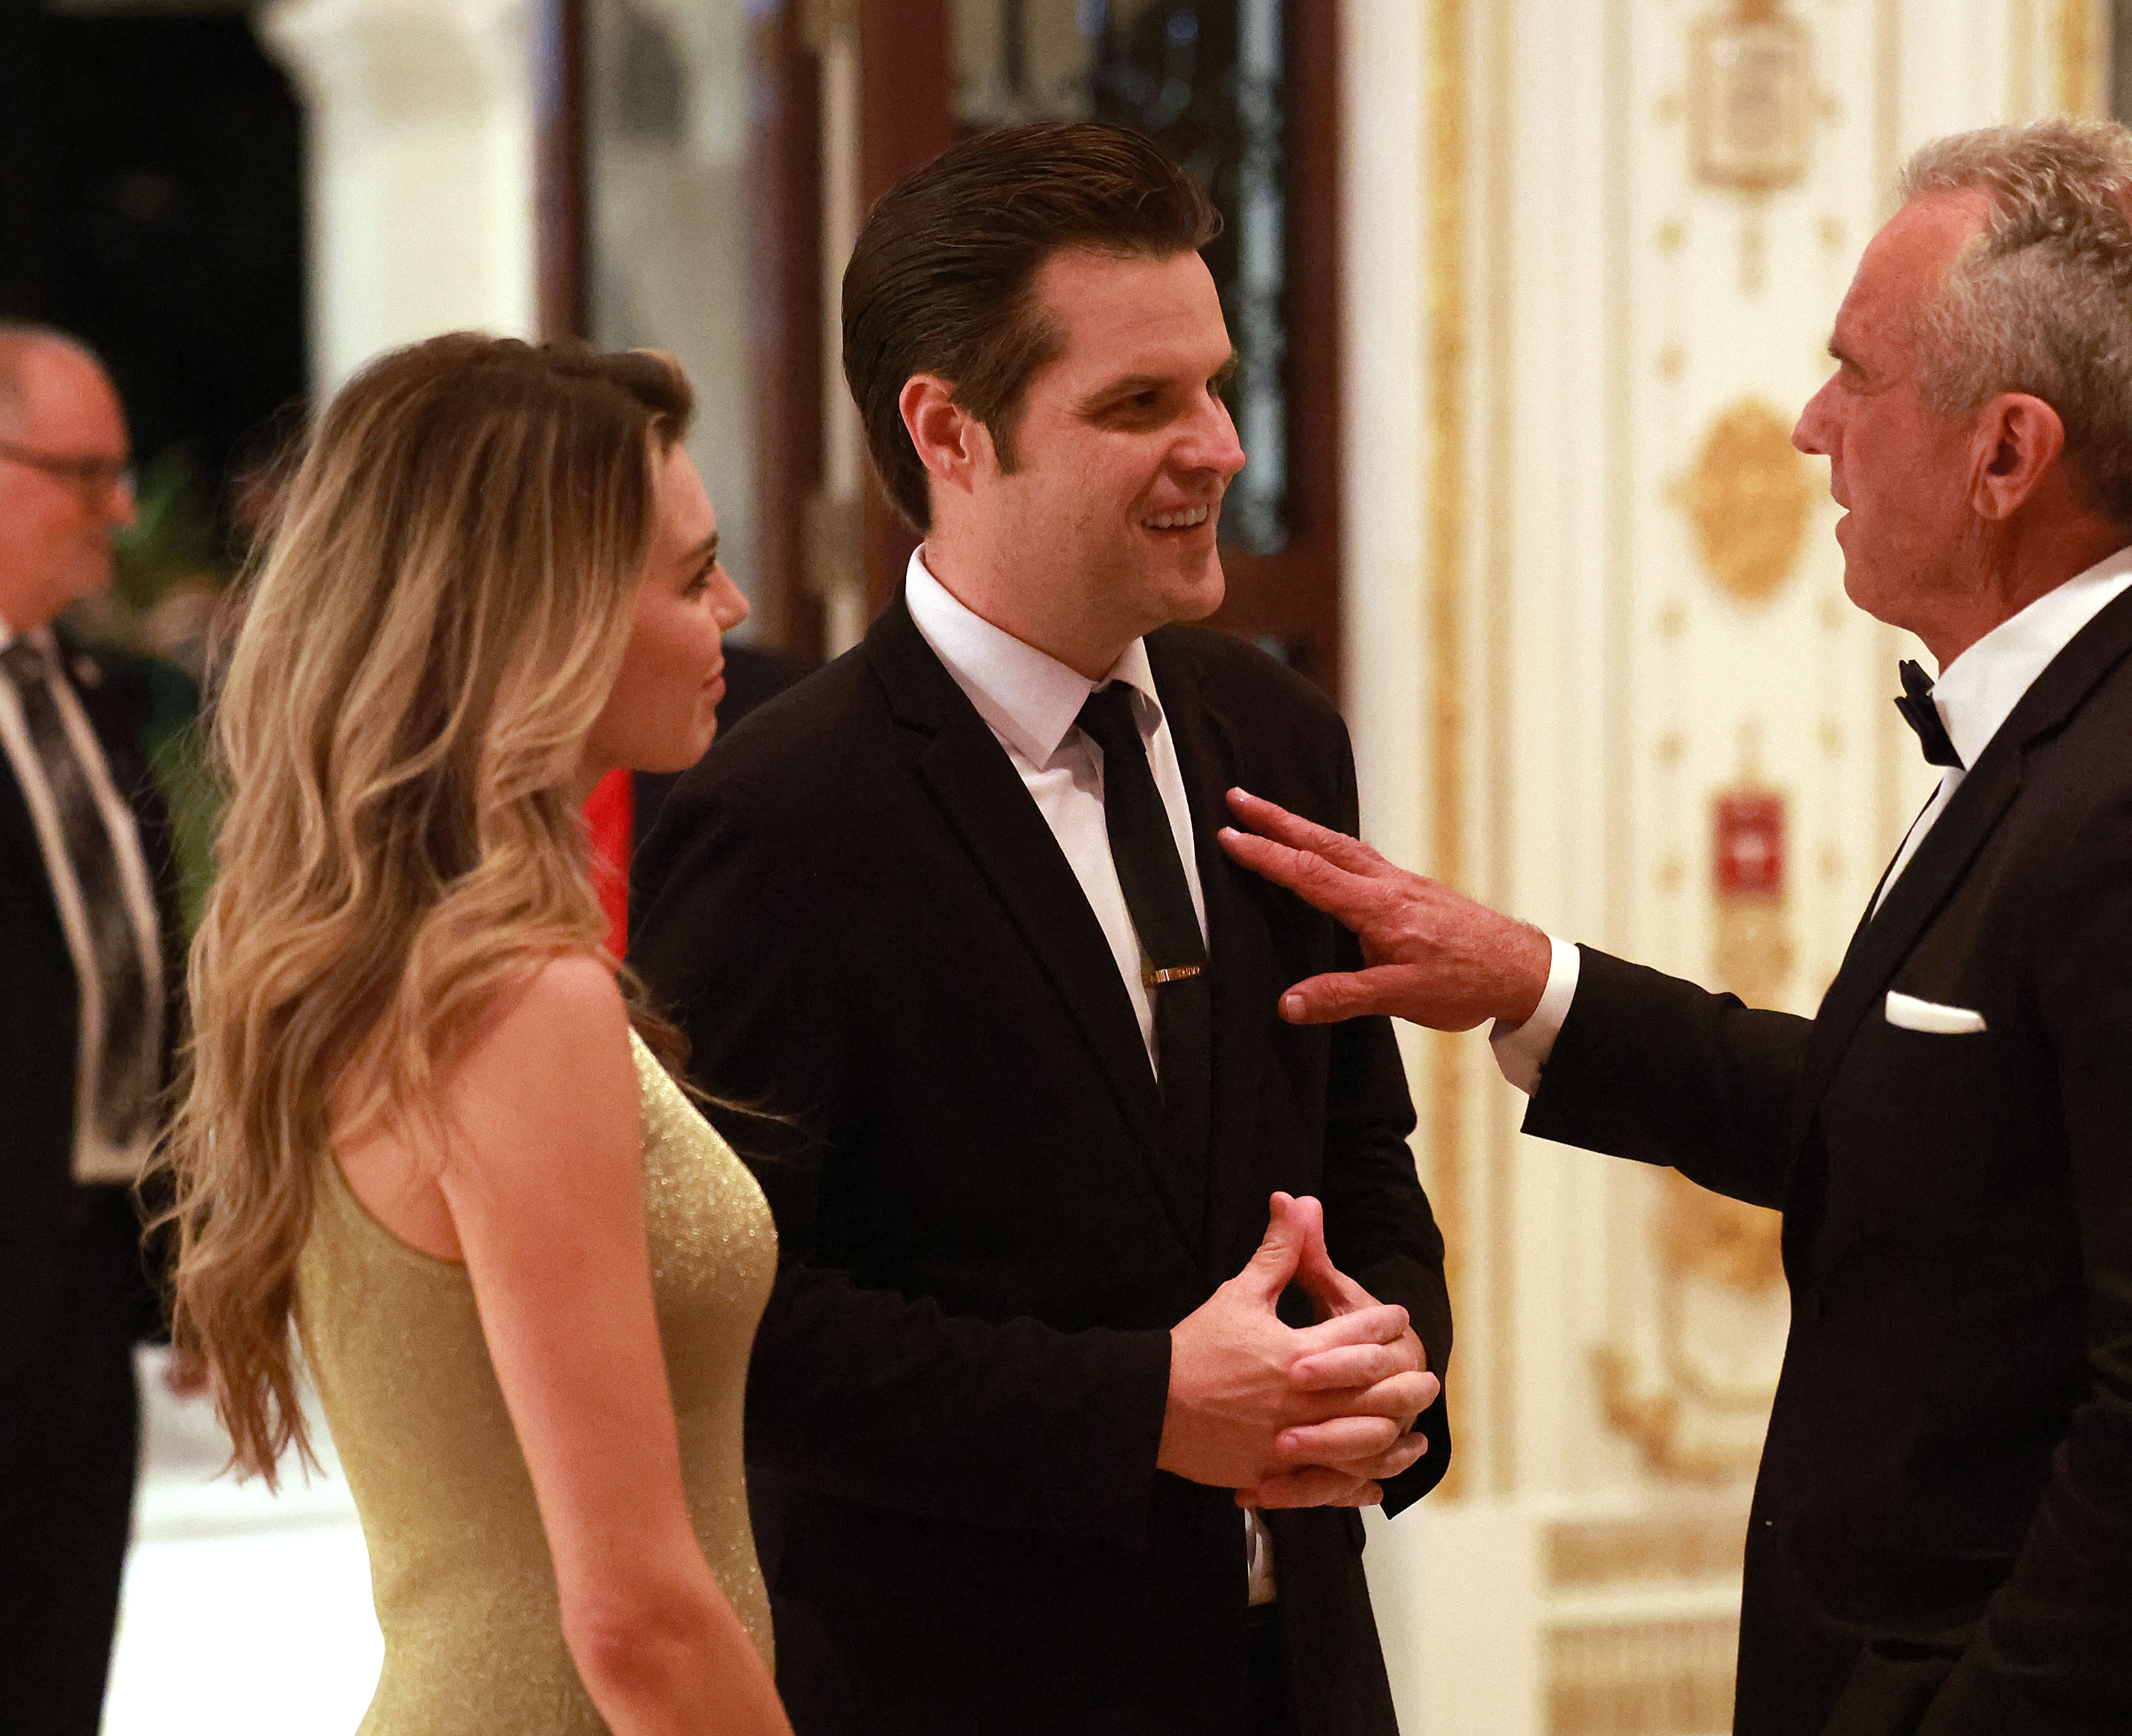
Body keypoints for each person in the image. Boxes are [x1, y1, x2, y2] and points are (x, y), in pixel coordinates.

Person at [1220, 118, 2132, 1736]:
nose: (1809, 426)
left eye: (1857, 375)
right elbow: (1924, 1136)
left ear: (2007, 454)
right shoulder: (2101, 729)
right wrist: (1535, 983)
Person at [629, 121, 1450, 1736]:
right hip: (958, 1684)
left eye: (1217, 385)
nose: (1216, 445)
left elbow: (1359, 1155)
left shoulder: (1281, 739)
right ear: (949, 430)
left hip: (1303, 1678)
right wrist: (1143, 1407)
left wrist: (1395, 1371)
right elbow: (747, 1325)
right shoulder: (779, 813)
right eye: (1140, 405)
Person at [158, 334, 796, 1736]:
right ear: (542, 617)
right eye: (692, 578)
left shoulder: (406, 963)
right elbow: (632, 1616)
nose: (735, 610)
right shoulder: (514, 997)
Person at [0, 322, 191, 1736]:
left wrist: (183, 1253)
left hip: (78, 1282)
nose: (121, 510)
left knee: (61, 1664)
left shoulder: (83, 692)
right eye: (88, 473)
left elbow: (136, 974)